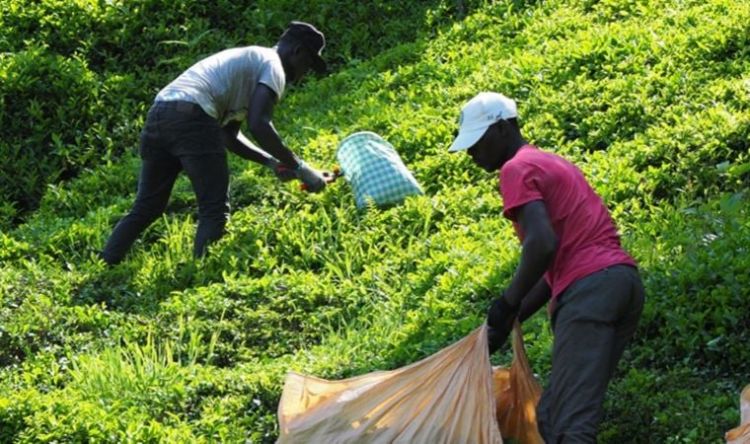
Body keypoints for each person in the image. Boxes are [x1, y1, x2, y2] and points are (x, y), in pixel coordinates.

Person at [448, 92, 645, 443]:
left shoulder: (515, 168)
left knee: (569, 425)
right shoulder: (547, 161)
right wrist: (513, 316)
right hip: (619, 284)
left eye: (478, 141)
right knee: (554, 415)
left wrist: (507, 302)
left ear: (504, 128)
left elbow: (541, 245)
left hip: (590, 292)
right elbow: (552, 260)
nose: (472, 153)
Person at [100, 22, 331, 265]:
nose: (305, 72)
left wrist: (272, 163)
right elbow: (259, 124)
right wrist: (300, 167)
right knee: (214, 209)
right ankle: (201, 277)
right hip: (193, 118)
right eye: (308, 64)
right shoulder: (273, 66)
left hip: (160, 114)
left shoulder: (254, 60)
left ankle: (106, 264)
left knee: (147, 206)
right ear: (298, 51)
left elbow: (228, 135)